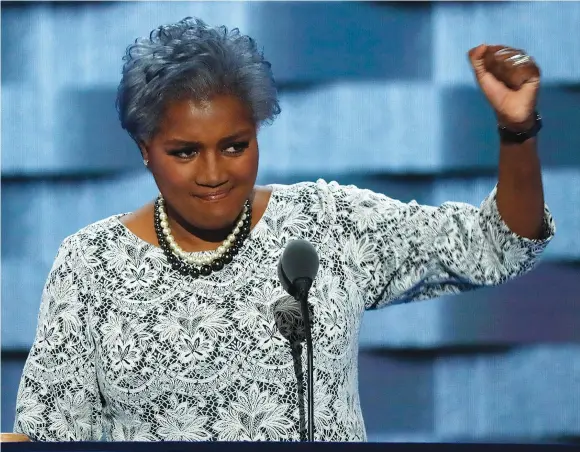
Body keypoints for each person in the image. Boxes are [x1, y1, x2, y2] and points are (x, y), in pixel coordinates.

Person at [13, 17, 555, 442]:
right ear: (145, 152)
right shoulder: (91, 264)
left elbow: (497, 244)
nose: (213, 173)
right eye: (184, 152)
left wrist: (516, 130)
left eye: (235, 145)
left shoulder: (326, 224)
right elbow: (55, 435)